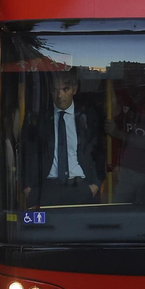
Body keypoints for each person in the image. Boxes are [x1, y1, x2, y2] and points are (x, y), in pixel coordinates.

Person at [30, 72, 104, 205]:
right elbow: (28, 152)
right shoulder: (40, 118)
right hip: (46, 187)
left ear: (74, 90)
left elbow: (98, 151)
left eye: (65, 89)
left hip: (81, 185)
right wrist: (28, 189)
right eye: (55, 90)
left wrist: (95, 185)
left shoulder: (87, 117)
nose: (60, 95)